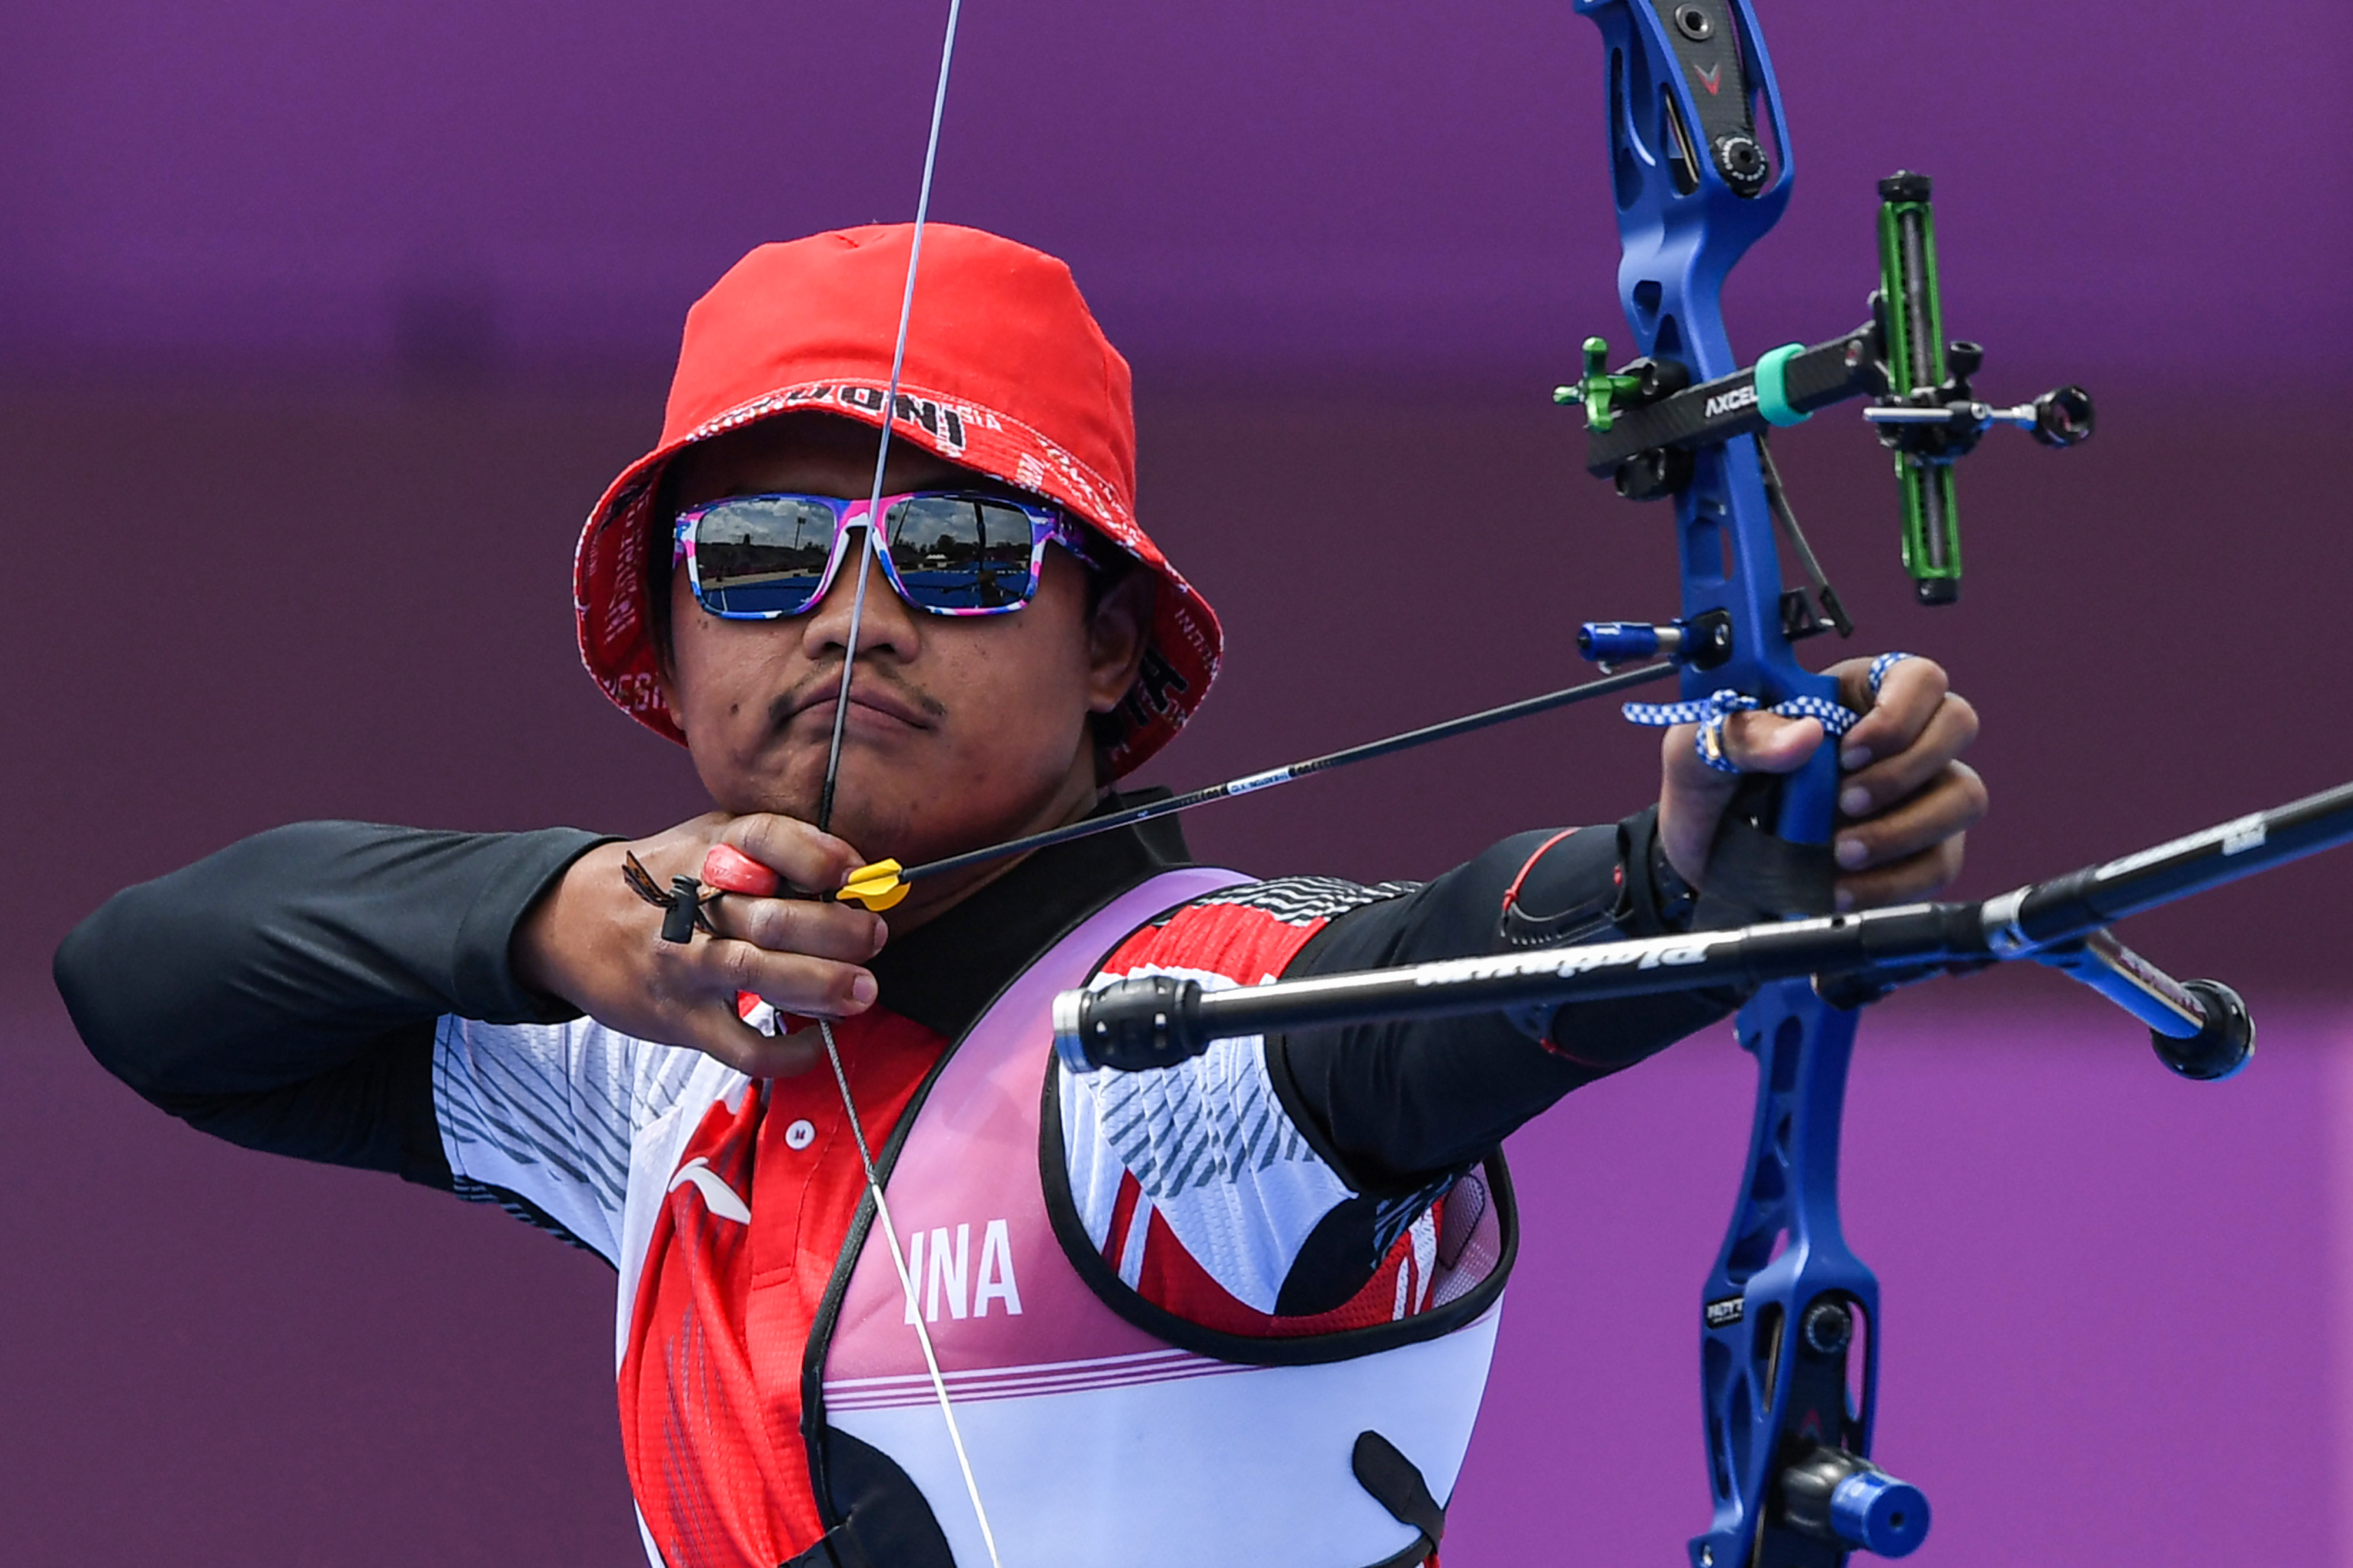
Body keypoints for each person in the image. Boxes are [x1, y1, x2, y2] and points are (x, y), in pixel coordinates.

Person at [54, 223, 1985, 1568]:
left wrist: (1681, 874)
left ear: (1115, 653)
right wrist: (557, 911)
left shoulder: (1180, 1043)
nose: (856, 607)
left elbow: (1422, 983)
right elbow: (145, 981)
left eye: (963, 546)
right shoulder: (647, 1056)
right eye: (765, 551)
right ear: (668, 630)